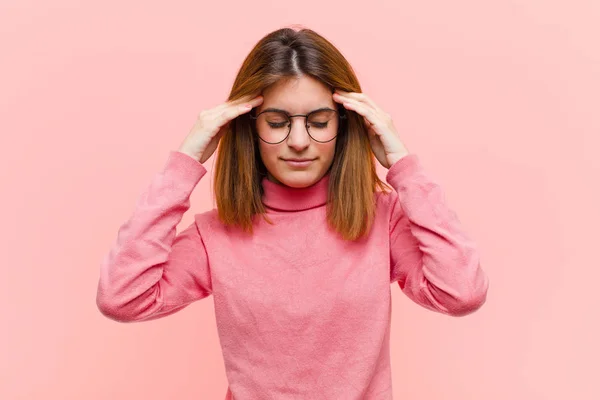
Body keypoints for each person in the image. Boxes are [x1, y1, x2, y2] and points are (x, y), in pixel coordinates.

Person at [96, 26, 489, 400]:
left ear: (346, 124)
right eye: (277, 122)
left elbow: (462, 292)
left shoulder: (383, 220)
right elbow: (122, 297)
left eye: (318, 122)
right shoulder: (213, 235)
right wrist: (185, 162)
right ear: (249, 126)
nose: (298, 141)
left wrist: (404, 166)